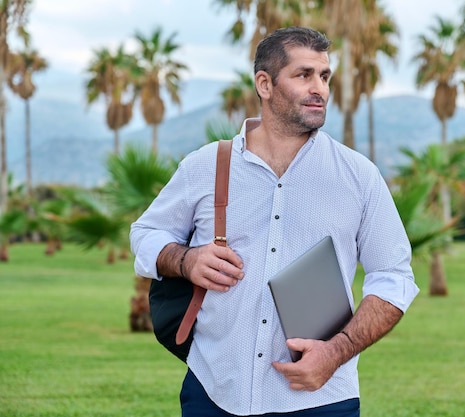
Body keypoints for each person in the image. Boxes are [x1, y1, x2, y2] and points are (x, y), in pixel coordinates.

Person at [130, 26, 419, 417]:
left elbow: (394, 277)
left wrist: (336, 352)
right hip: (213, 391)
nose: (319, 87)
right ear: (264, 84)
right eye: (304, 75)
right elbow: (146, 233)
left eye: (325, 76)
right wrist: (186, 260)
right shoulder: (205, 166)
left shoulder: (358, 176)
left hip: (321, 400)